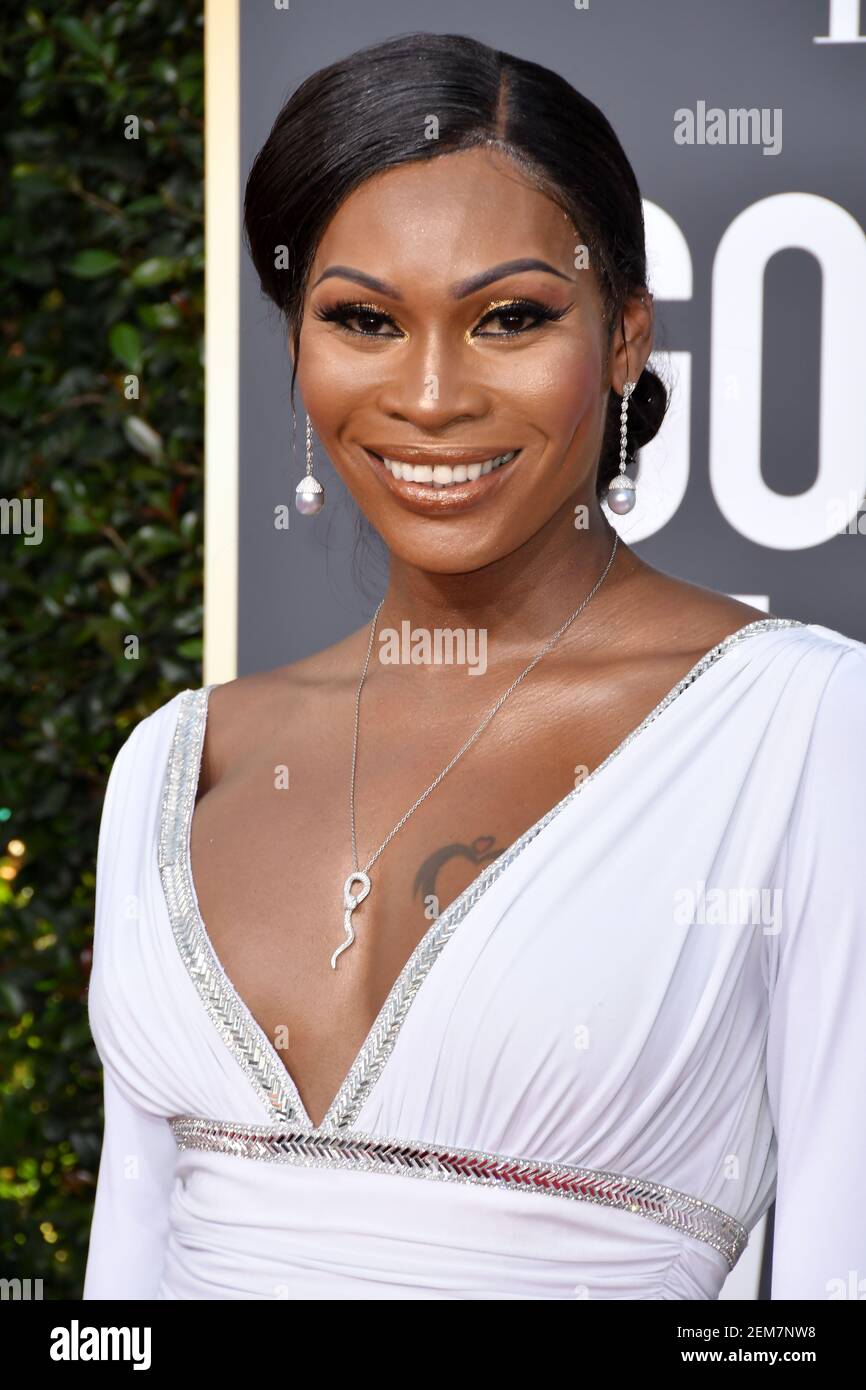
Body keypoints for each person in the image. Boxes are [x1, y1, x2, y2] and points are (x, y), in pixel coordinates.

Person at [83, 32, 866, 1300]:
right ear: (295, 348)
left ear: (621, 340)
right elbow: (123, 1281)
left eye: (509, 317)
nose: (431, 393)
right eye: (363, 320)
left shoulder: (807, 727)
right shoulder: (176, 766)